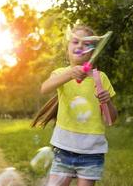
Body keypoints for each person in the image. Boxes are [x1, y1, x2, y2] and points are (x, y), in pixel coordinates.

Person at [40, 25, 117, 186]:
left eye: (86, 44)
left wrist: (107, 101)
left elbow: (111, 119)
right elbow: (44, 88)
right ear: (68, 47)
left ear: (92, 52)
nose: (80, 46)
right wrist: (70, 73)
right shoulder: (61, 74)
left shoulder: (100, 78)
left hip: (91, 151)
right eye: (75, 42)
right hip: (63, 148)